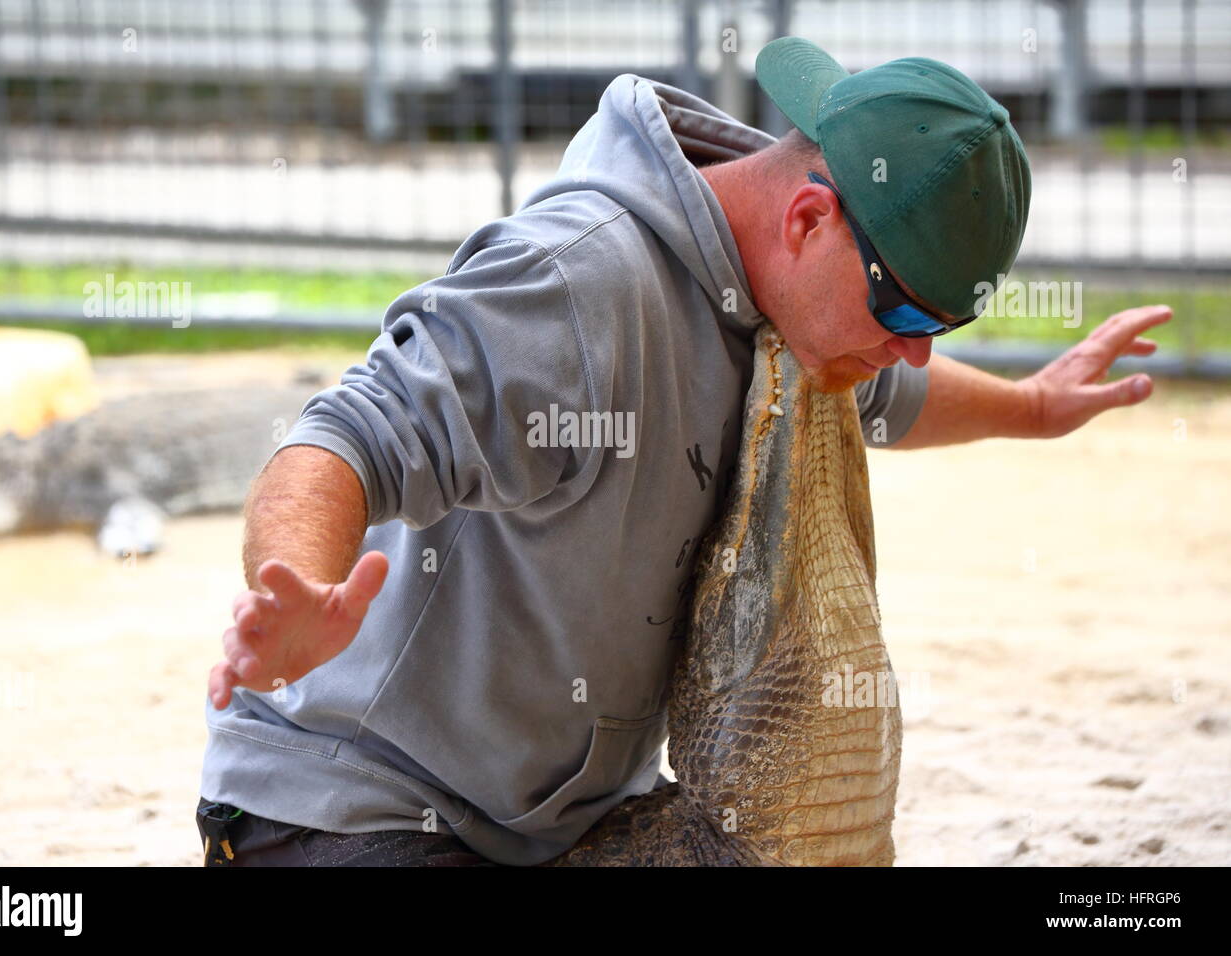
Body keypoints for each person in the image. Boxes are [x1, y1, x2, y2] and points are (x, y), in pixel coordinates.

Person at [196, 36, 1170, 867]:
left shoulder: (799, 309)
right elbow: (344, 435)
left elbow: (886, 387)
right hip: (353, 804)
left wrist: (1035, 406)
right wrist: (299, 586)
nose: (912, 346)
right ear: (807, 219)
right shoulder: (577, 284)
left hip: (551, 824)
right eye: (907, 309)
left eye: (943, 324)